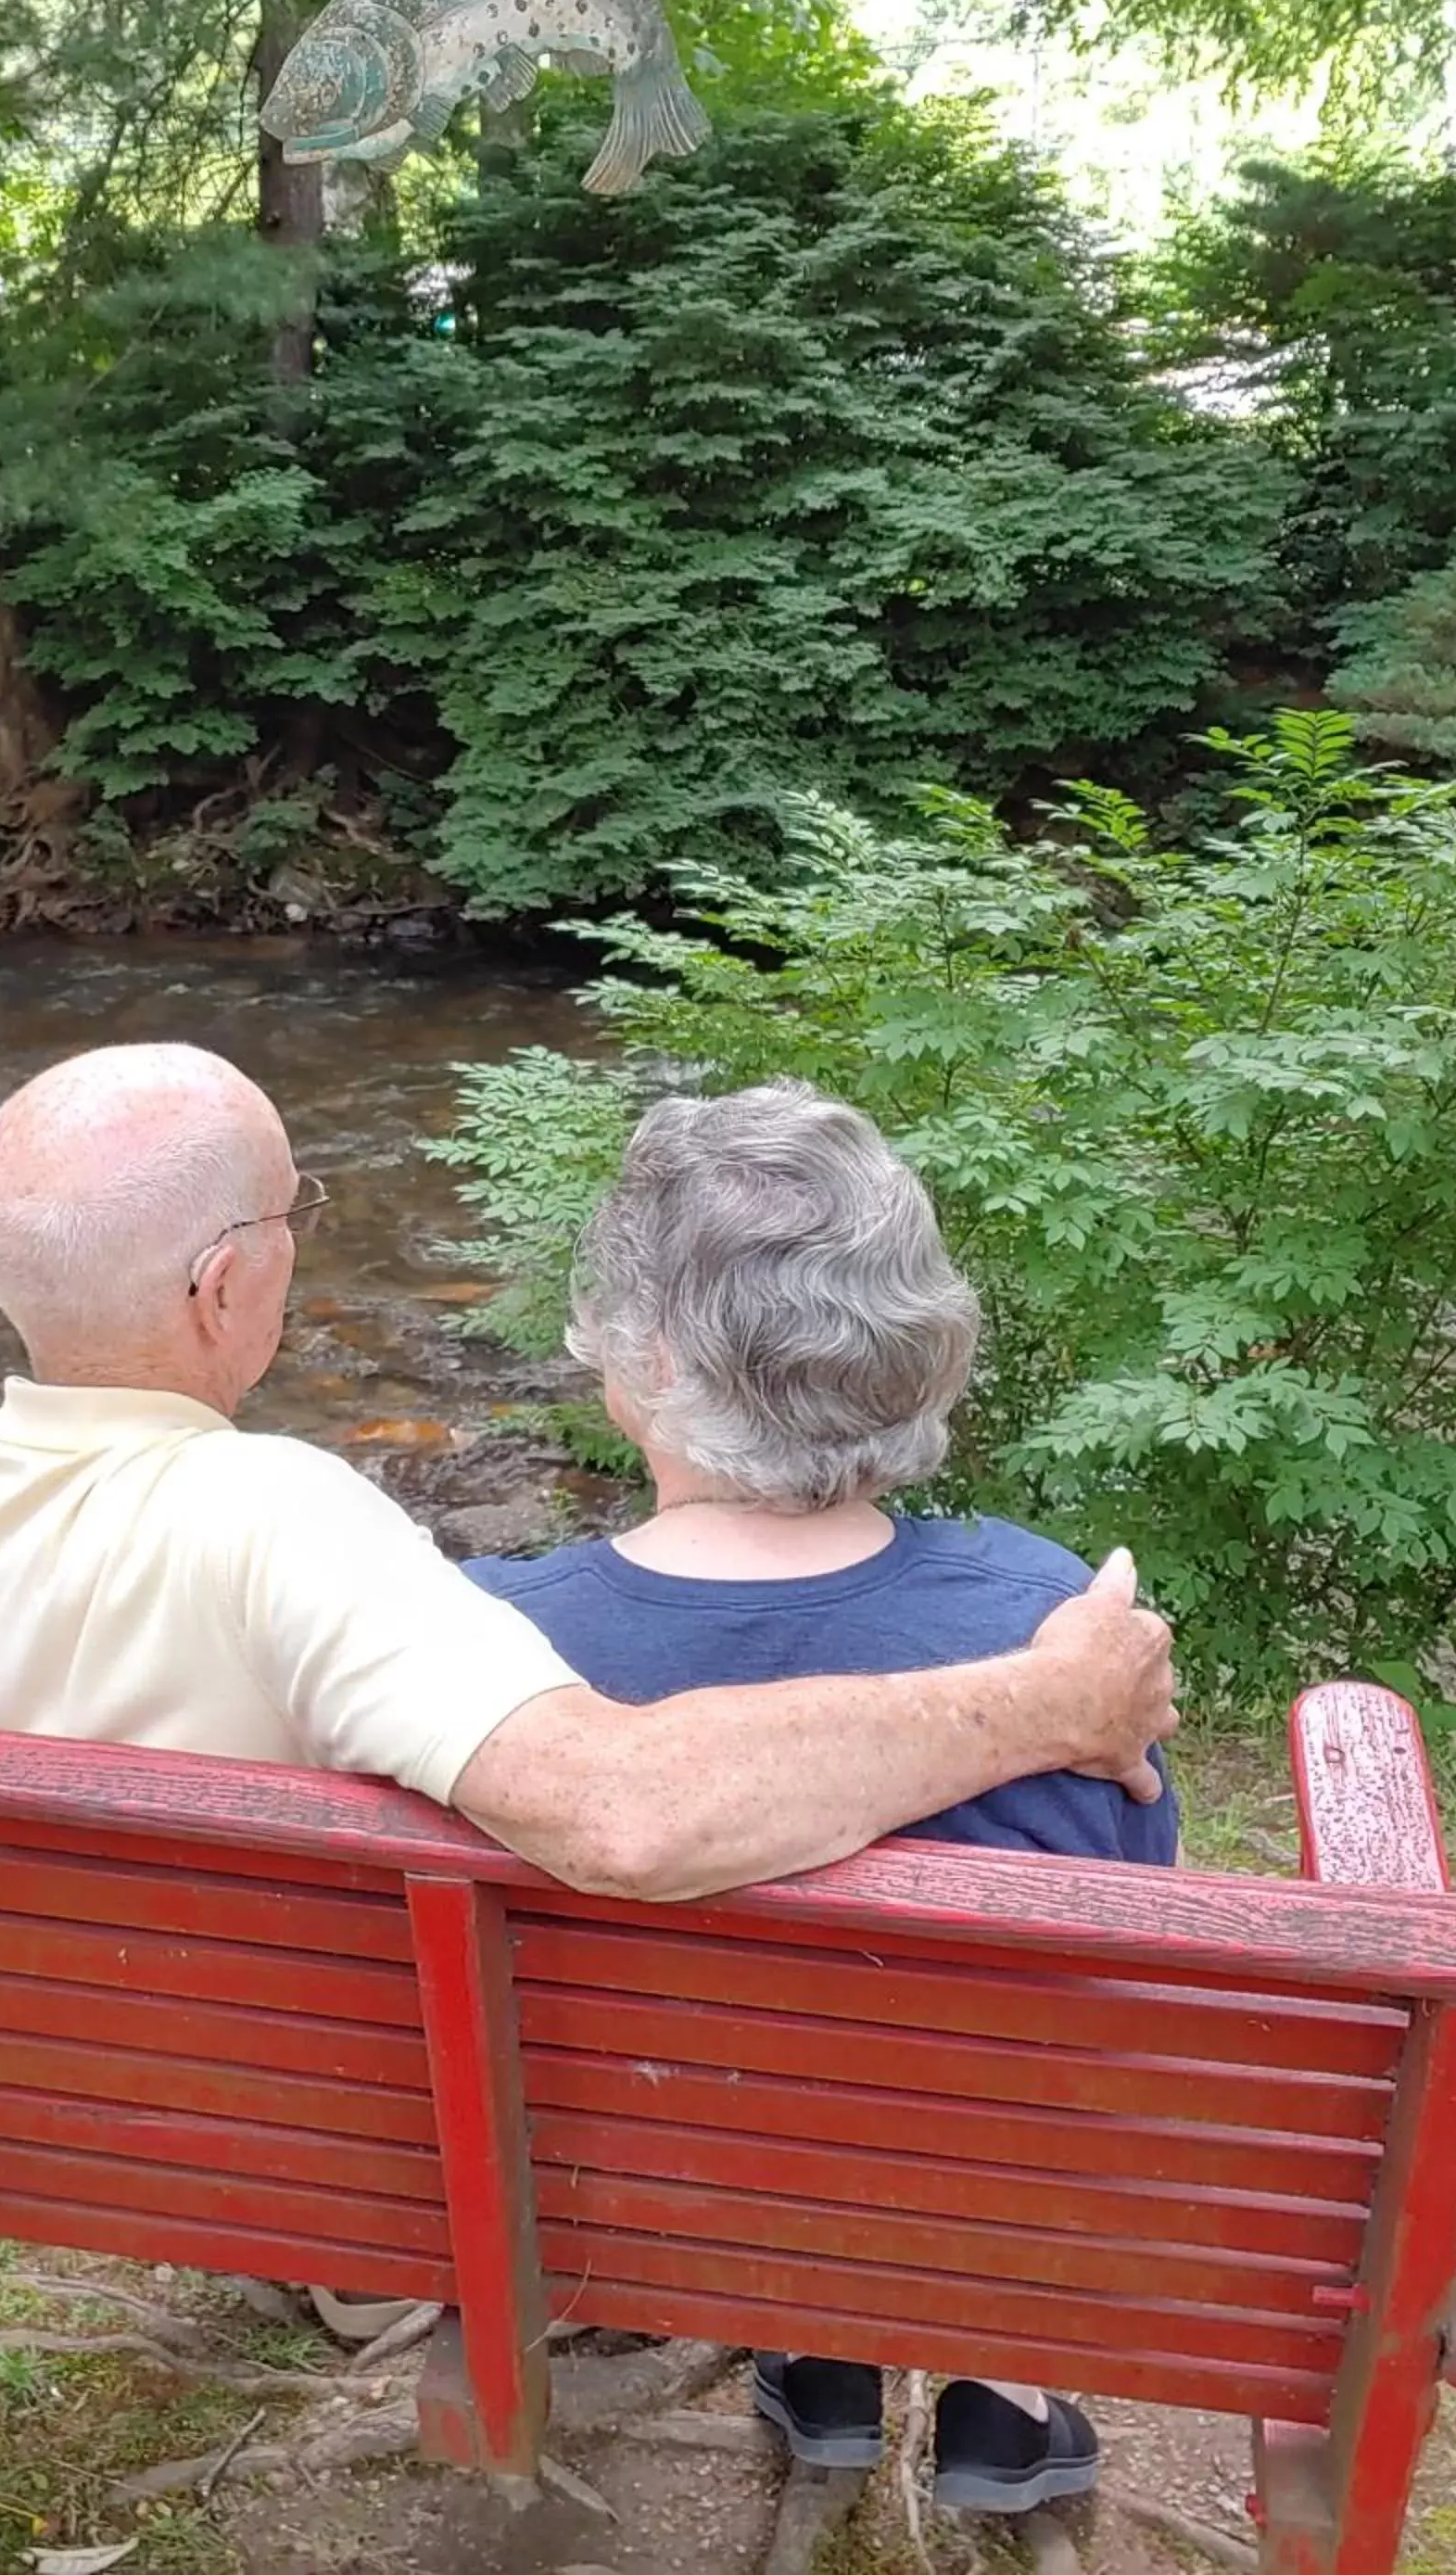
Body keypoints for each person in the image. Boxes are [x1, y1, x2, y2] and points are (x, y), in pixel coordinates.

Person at [0, 1040, 1176, 1906]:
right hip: (267, 2108)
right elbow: (628, 1813)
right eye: (302, 1214)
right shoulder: (285, 1523)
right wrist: (1047, 1700)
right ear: (225, 1286)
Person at [462, 1079, 1178, 2518]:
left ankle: (820, 2357)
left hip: (624, 2201)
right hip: (975, 2196)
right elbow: (1124, 1953)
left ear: (649, 1356)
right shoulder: (1060, 1626)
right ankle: (1002, 2389)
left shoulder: (482, 1644)